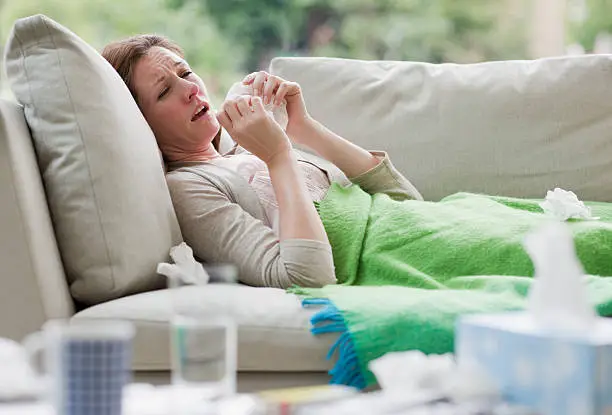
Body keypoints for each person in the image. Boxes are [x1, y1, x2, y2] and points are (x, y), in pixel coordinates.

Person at [102, 35, 423, 289]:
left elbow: (407, 203)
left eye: (185, 72)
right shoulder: (188, 187)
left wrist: (304, 128)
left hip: (436, 230)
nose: (190, 89)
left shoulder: (247, 151)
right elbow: (306, 276)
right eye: (164, 92)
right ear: (142, 124)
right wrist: (278, 156)